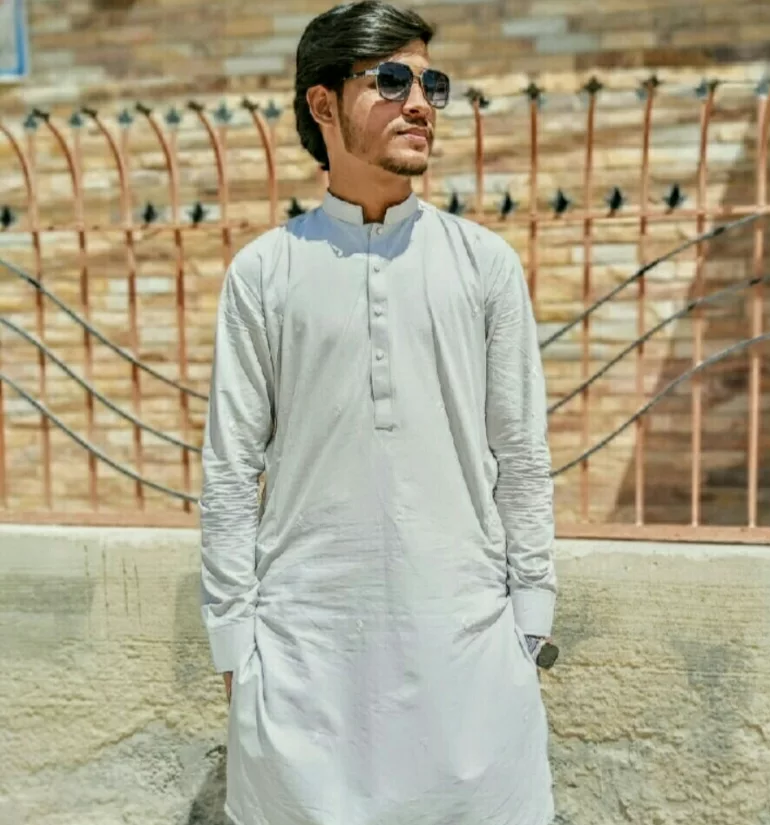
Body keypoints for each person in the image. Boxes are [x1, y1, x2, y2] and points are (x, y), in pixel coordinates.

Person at [199, 2, 558, 824]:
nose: (421, 103)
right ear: (322, 103)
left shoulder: (482, 264)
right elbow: (229, 471)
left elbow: (521, 455)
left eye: (432, 83)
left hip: (466, 648)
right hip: (303, 658)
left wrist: (531, 619)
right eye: (392, 80)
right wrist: (234, 644)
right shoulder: (264, 272)